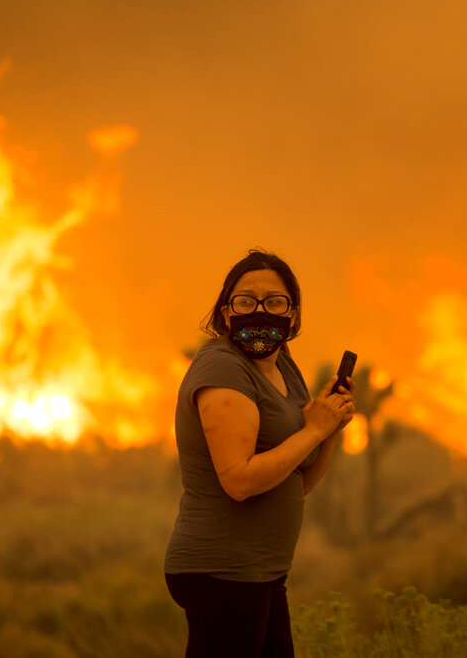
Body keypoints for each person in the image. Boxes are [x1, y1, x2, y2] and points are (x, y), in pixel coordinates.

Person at [164, 249, 355, 657]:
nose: (260, 310)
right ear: (225, 311)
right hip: (223, 572)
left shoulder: (282, 365)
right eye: (246, 300)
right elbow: (240, 480)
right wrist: (313, 430)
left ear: (293, 313)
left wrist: (330, 428)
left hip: (263, 574)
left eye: (275, 301)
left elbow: (296, 482)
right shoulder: (223, 370)